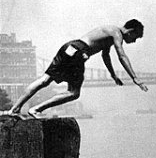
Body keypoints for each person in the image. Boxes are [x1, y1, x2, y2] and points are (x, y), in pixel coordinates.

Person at [5, 19, 148, 118]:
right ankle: (36, 109)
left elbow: (106, 56)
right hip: (80, 53)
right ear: (130, 30)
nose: (134, 41)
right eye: (135, 37)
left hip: (70, 46)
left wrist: (112, 75)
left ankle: (15, 109)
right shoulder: (117, 33)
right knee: (73, 93)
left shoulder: (109, 31)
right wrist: (135, 78)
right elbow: (121, 56)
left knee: (44, 80)